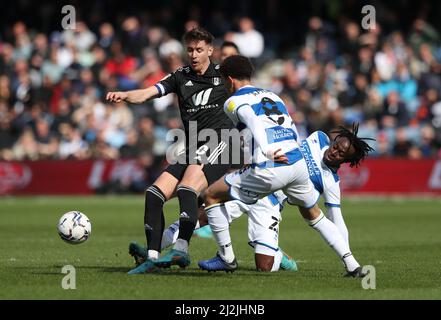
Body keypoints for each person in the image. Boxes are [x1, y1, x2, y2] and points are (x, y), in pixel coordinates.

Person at [198, 55, 366, 277]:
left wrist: (266, 150)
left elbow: (254, 120)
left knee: (210, 194)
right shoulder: (273, 95)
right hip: (297, 164)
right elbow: (290, 126)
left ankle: (226, 258)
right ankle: (352, 264)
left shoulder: (233, 101)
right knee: (315, 215)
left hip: (271, 165)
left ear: (229, 79)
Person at [107, 27, 235, 274]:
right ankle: (153, 258)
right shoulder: (180, 76)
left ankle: (181, 250)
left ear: (210, 50)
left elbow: (247, 96)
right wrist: (125, 95)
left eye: (199, 50)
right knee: (154, 194)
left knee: (188, 188)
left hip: (220, 142)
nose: (194, 55)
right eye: (190, 50)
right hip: (192, 146)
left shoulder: (224, 75)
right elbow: (147, 93)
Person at [198, 124, 374, 273]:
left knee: (264, 266)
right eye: (335, 146)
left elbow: (336, 219)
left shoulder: (331, 183)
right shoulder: (318, 138)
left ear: (346, 161)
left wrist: (347, 253)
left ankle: (278, 255)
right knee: (205, 214)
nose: (335, 152)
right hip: (257, 183)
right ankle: (177, 247)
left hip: (271, 203)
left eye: (341, 154)